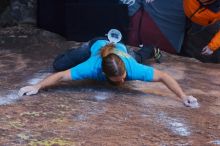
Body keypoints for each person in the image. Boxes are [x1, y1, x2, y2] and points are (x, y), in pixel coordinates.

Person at [18, 39, 198, 108]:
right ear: (103, 73)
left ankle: (151, 48)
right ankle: (80, 47)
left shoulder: (132, 69)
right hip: (96, 45)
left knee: (138, 57)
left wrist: (183, 96)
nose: (122, 82)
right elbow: (61, 76)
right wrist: (37, 86)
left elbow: (163, 77)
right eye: (118, 80)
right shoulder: (91, 67)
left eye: (123, 78)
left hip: (123, 51)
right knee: (59, 64)